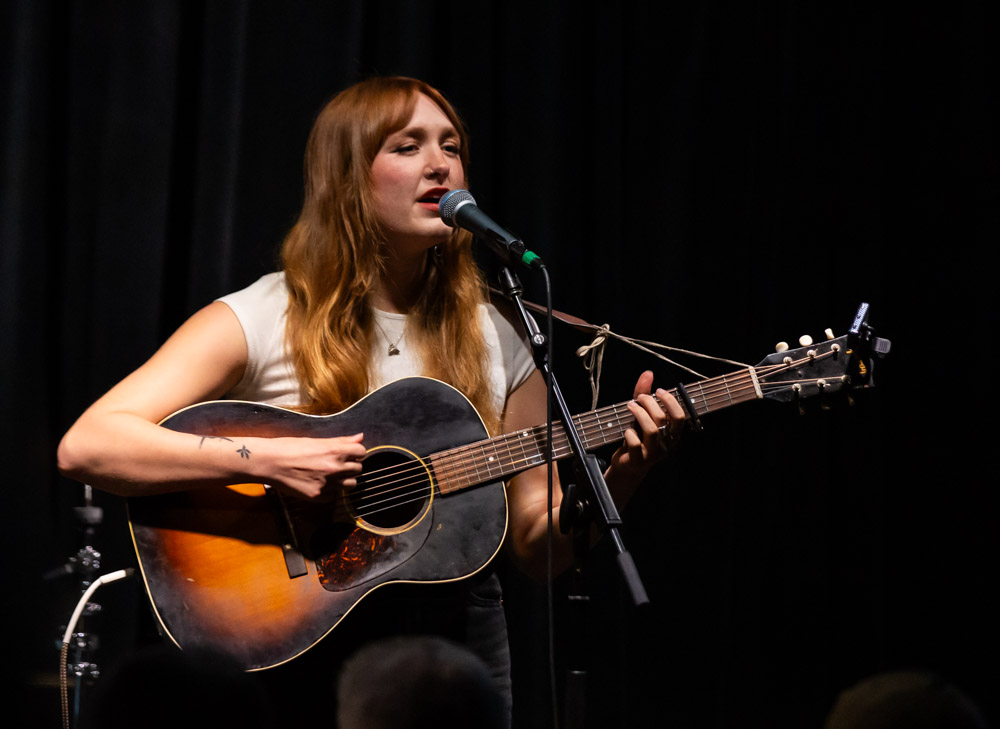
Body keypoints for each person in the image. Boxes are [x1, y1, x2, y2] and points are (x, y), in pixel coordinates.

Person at [57, 76, 685, 726]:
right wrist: (266, 461)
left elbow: (537, 548)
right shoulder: (263, 315)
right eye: (407, 146)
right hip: (297, 640)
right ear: (347, 177)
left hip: (452, 646)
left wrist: (625, 473)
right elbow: (90, 444)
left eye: (451, 146)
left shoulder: (502, 333)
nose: (440, 165)